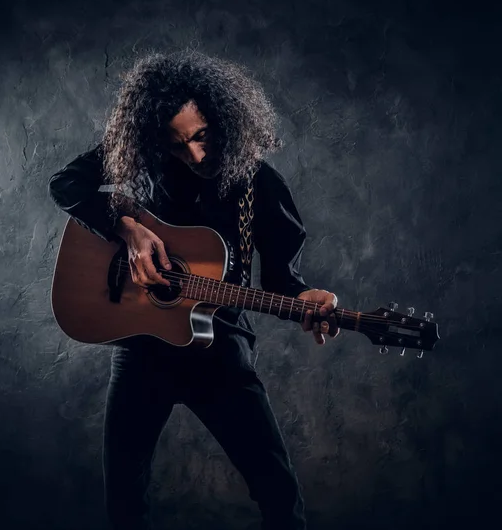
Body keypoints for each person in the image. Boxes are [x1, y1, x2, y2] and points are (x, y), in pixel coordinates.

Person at [48, 50, 340, 530]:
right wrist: (127, 230)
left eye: (201, 136)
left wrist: (304, 298)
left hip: (221, 353)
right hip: (144, 352)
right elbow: (66, 184)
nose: (194, 155)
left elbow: (282, 283)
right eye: (176, 144)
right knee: (124, 500)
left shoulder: (260, 185)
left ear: (223, 118)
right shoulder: (141, 159)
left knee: (280, 498)